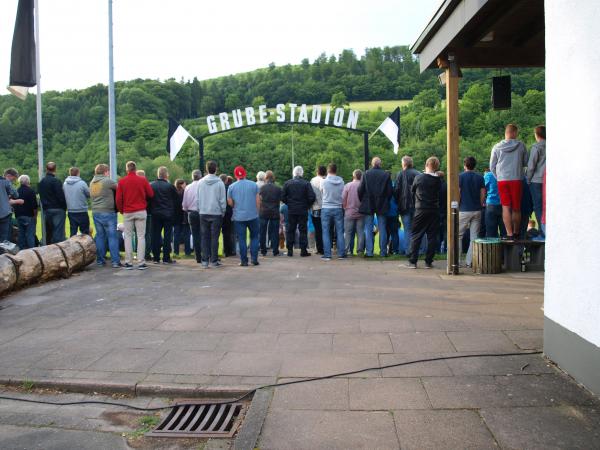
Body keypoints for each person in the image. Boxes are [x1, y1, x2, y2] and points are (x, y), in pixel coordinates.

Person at [490, 124, 528, 240]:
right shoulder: (521, 146)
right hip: (517, 179)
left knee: (506, 207)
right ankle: (516, 232)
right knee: (516, 208)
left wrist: (499, 177)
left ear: (506, 133)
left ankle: (509, 234)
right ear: (514, 133)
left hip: (502, 180)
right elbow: (525, 162)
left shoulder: (496, 147)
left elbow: (492, 166)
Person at [403, 157, 442, 269]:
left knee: (416, 235)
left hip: (420, 209)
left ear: (426, 165)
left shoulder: (419, 178)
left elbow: (412, 191)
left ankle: (413, 261)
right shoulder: (438, 180)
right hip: (434, 209)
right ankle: (428, 261)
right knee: (432, 236)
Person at [116, 161, 154, 270]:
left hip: (128, 211)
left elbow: (118, 199)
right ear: (135, 169)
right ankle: (141, 262)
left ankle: (129, 262)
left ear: (127, 169)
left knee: (128, 236)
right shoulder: (142, 180)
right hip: (141, 210)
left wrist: (121, 210)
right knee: (141, 236)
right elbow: (151, 194)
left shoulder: (122, 182)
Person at [358, 156, 393, 257]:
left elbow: (360, 190)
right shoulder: (386, 174)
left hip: (368, 203)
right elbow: (390, 191)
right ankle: (383, 252)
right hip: (382, 203)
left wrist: (363, 200)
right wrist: (386, 200)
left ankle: (369, 252)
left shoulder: (366, 174)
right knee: (382, 228)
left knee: (368, 229)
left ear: (372, 164)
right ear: (380, 164)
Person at [227, 165, 260, 266]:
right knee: (254, 237)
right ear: (245, 173)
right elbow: (258, 201)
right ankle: (254, 259)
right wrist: (257, 212)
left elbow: (230, 202)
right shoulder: (254, 185)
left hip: (238, 216)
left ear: (235, 175)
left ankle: (244, 261)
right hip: (253, 215)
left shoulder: (231, 187)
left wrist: (235, 205)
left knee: (241, 239)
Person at [89, 164, 120, 268]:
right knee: (112, 237)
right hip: (108, 212)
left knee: (100, 237)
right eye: (108, 171)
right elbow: (119, 188)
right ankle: (115, 261)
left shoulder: (92, 182)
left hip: (96, 212)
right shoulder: (107, 181)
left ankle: (100, 261)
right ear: (106, 172)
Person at [198, 160, 226, 268]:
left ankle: (204, 260)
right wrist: (222, 211)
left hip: (203, 212)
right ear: (216, 169)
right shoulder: (219, 183)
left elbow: (198, 198)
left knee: (204, 237)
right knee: (215, 237)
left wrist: (200, 209)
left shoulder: (201, 182)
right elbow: (222, 200)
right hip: (216, 213)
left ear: (206, 169)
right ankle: (214, 260)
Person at [282, 166, 316, 257]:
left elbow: (282, 197)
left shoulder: (287, 183)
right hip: (302, 209)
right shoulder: (306, 184)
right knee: (303, 230)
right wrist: (307, 205)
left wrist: (289, 203)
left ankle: (290, 250)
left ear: (293, 173)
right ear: (302, 173)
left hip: (292, 209)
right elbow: (312, 197)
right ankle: (303, 250)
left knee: (290, 230)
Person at [458, 156, 485, 267]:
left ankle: (457, 261)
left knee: (458, 235)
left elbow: (458, 193)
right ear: (475, 165)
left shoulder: (460, 177)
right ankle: (469, 261)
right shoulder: (480, 177)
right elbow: (483, 193)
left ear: (465, 165)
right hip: (477, 210)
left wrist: (458, 205)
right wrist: (479, 204)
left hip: (463, 209)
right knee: (474, 237)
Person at [150, 166, 179, 264]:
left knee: (155, 235)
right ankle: (166, 258)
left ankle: (156, 257)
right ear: (166, 175)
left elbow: (149, 200)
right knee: (167, 236)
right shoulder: (170, 186)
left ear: (158, 175)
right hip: (168, 214)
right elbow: (176, 201)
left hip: (155, 214)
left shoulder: (152, 185)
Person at [394, 156, 420, 256]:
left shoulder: (400, 174)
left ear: (404, 163)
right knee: (417, 228)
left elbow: (396, 190)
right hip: (417, 206)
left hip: (404, 206)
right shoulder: (418, 173)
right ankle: (419, 250)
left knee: (407, 229)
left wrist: (397, 202)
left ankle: (408, 250)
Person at [320, 163, 346, 260]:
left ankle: (327, 254)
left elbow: (322, 192)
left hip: (326, 207)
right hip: (338, 207)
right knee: (340, 231)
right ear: (336, 170)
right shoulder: (342, 182)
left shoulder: (324, 182)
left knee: (326, 231)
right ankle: (341, 254)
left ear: (328, 170)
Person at [38, 162, 67, 244]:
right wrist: (64, 207)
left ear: (46, 169)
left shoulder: (41, 182)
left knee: (49, 232)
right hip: (58, 209)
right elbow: (61, 196)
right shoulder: (56, 181)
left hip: (47, 210)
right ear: (55, 169)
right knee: (58, 233)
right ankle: (58, 251)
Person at [527, 125, 546, 237]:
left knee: (538, 207)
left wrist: (528, 180)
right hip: (548, 180)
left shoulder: (536, 147)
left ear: (536, 135)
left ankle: (542, 232)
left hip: (537, 181)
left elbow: (531, 166)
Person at [259, 170, 282, 256]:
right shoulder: (278, 188)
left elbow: (260, 199)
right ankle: (275, 250)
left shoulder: (262, 188)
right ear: (273, 178)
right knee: (275, 232)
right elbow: (281, 199)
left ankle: (263, 250)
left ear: (266, 178)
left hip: (264, 211)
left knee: (262, 232)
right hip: (274, 212)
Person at [342, 169, 365, 256]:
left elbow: (343, 198)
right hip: (361, 212)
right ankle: (360, 251)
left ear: (353, 176)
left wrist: (345, 207)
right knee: (360, 232)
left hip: (349, 211)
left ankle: (347, 250)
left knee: (348, 233)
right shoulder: (363, 186)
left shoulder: (348, 185)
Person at [182, 170, 202, 263]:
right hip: (202, 212)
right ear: (200, 176)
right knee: (204, 234)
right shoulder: (203, 186)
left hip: (191, 213)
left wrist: (186, 209)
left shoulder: (188, 187)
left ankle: (198, 256)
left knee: (195, 235)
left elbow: (185, 203)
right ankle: (205, 254)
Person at [63, 167, 90, 236]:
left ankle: (72, 246)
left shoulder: (65, 184)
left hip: (71, 211)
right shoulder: (82, 183)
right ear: (78, 173)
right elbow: (89, 194)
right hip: (82, 210)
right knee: (85, 232)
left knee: (73, 231)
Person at [13, 174, 37, 249]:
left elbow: (13, 204)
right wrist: (35, 216)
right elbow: (34, 206)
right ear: (28, 181)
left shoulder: (16, 191)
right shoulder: (31, 191)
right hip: (29, 216)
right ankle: (32, 251)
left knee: (21, 235)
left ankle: (21, 251)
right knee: (30, 235)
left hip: (19, 216)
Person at [483, 169, 505, 238]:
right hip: (504, 205)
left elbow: (483, 189)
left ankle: (492, 248)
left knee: (491, 233)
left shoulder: (488, 175)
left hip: (491, 204)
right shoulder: (505, 174)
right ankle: (505, 248)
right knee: (505, 233)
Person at [136, 169, 153, 261]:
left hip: (135, 211)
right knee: (147, 234)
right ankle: (147, 253)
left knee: (137, 234)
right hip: (148, 212)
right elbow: (151, 197)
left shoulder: (134, 186)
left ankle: (138, 253)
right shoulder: (148, 186)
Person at [1, 169, 21, 243]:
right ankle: (3, 253)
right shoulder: (5, 182)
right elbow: (16, 194)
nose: (13, 181)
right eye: (13, 179)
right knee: (5, 237)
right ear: (8, 176)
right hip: (4, 214)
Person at [310, 166, 326, 254]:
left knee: (318, 229)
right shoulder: (326, 181)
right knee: (326, 228)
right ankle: (327, 247)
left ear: (317, 172)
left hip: (315, 207)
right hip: (326, 207)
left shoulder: (313, 181)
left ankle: (319, 248)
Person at [173, 179, 191, 257]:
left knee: (176, 235)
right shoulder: (185, 193)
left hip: (176, 216)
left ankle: (176, 251)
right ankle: (187, 252)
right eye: (184, 184)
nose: (185, 185)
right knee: (186, 234)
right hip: (184, 216)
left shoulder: (174, 193)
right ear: (181, 185)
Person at [220, 174, 236, 257]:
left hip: (218, 212)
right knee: (227, 232)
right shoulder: (228, 188)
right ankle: (227, 250)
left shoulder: (218, 188)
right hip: (228, 212)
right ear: (226, 180)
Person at [386, 174, 400, 255]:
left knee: (385, 232)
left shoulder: (382, 185)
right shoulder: (394, 185)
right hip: (394, 212)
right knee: (394, 233)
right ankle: (395, 251)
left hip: (385, 212)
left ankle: (385, 250)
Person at [437, 171, 448, 253]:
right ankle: (445, 249)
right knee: (446, 231)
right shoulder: (447, 185)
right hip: (446, 211)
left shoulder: (434, 186)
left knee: (436, 232)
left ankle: (437, 249)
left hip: (436, 211)